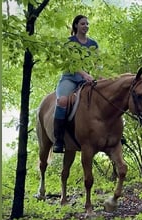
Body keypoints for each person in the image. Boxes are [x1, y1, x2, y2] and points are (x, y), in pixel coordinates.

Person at [53, 15, 99, 153]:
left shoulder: (93, 44)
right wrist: (84, 74)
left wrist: (103, 78)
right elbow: (71, 63)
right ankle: (59, 140)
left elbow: (98, 64)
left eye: (87, 24)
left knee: (103, 98)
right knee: (62, 101)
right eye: (83, 24)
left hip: (86, 81)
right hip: (69, 79)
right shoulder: (69, 42)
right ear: (76, 26)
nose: (86, 26)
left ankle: (111, 135)